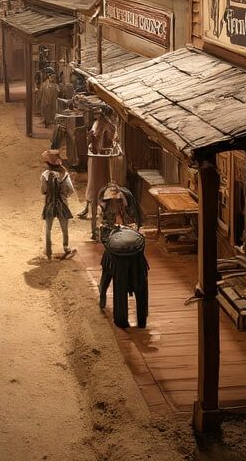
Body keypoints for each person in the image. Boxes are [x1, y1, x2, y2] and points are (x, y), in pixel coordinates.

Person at [97, 183, 147, 328]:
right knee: (107, 273)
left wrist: (130, 229)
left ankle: (141, 316)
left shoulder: (128, 209)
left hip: (131, 246)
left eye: (117, 200)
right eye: (112, 201)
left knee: (140, 277)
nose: (115, 203)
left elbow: (136, 226)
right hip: (114, 248)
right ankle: (102, 294)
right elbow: (104, 234)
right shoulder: (104, 212)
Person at [79, 107, 118, 237]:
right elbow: (91, 142)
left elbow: (111, 143)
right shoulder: (99, 125)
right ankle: (96, 228)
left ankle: (103, 225)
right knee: (97, 190)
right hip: (98, 161)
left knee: (104, 192)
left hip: (103, 162)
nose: (98, 117)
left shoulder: (108, 127)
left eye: (100, 114)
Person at [40, 148, 74, 260]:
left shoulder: (45, 175)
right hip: (62, 204)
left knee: (48, 228)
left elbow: (43, 190)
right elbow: (70, 190)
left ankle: (49, 251)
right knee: (64, 228)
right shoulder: (65, 175)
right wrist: (64, 196)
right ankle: (66, 247)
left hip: (50, 204)